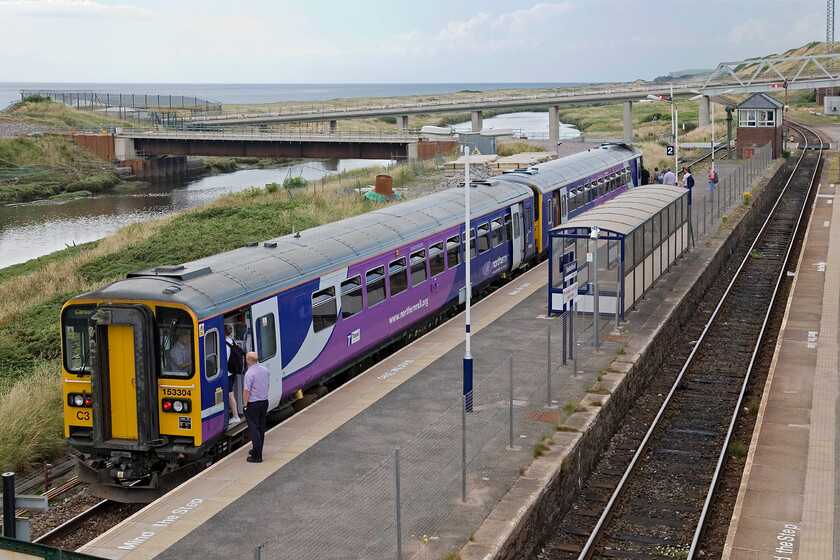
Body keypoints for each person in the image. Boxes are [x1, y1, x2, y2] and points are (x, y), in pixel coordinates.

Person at [243, 351, 270, 463]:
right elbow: (267, 385)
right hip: (264, 402)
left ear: (249, 360)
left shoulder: (249, 373)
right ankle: (257, 449)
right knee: (261, 428)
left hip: (253, 404)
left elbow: (246, 391)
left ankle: (257, 456)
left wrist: (245, 405)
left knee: (254, 429)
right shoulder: (265, 370)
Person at [225, 325, 242, 425]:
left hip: (227, 374)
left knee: (230, 394)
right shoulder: (233, 342)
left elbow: (225, 360)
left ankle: (236, 416)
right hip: (233, 372)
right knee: (230, 394)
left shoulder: (224, 345)